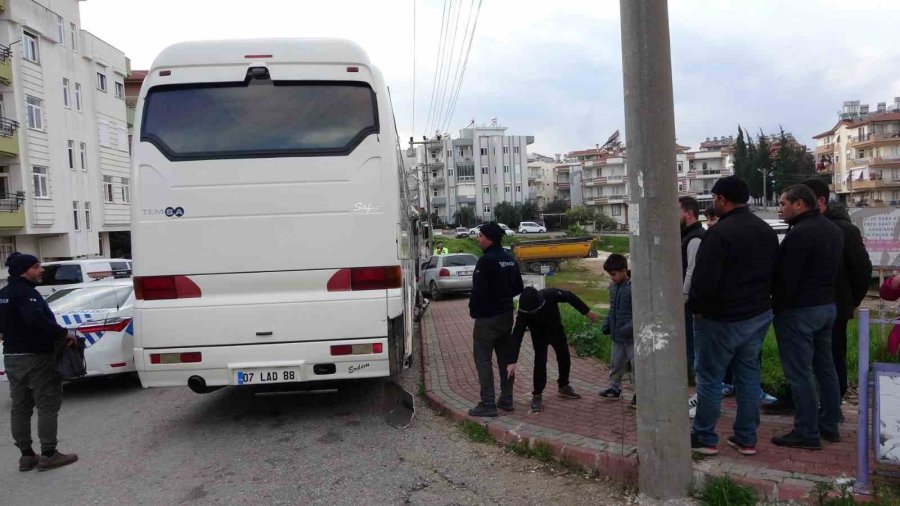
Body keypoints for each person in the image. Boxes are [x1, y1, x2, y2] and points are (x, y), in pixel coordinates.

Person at [688, 176, 779, 456]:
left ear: (722, 199)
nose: (713, 203)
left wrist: (697, 308)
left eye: (715, 198)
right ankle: (746, 438)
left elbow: (704, 279)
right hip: (758, 315)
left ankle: (704, 437)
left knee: (710, 378)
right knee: (748, 376)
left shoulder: (719, 233)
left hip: (721, 319)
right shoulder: (765, 230)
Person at [770, 185, 844, 450]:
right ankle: (830, 424)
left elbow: (787, 279)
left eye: (783, 203)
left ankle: (806, 432)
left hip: (799, 311)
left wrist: (778, 307)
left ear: (799, 204)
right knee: (826, 368)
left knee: (800, 373)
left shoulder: (800, 234)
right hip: (826, 306)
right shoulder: (832, 229)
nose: (780, 208)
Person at [1, 253, 79, 472]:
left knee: (20, 407)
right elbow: (36, 320)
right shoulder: (27, 294)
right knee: (47, 405)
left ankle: (26, 456)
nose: (42, 270)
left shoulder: (3, 294)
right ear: (25, 270)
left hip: (12, 357)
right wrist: (64, 333)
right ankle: (49, 454)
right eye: (37, 267)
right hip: (36, 357)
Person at [507, 287, 599, 412]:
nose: (533, 313)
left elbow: (569, 296)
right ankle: (537, 394)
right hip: (538, 336)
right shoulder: (523, 312)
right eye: (531, 313)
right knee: (540, 362)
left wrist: (586, 311)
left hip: (555, 330)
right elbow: (517, 335)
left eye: (535, 311)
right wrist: (512, 360)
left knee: (564, 357)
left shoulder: (550, 294)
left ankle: (563, 386)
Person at [467, 222, 524, 417]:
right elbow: (518, 288)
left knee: (483, 360)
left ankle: (488, 403)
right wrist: (503, 296)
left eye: (480, 235)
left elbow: (478, 292)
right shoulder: (509, 259)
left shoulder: (485, 261)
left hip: (487, 319)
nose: (478, 239)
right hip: (506, 316)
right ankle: (506, 399)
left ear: (489, 238)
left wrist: (474, 311)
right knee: (505, 359)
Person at [598, 254, 636, 408]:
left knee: (636, 367)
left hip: (631, 336)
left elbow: (639, 313)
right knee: (616, 363)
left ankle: (639, 394)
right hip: (617, 335)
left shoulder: (634, 287)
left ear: (624, 270)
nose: (612, 278)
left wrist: (629, 329)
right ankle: (614, 389)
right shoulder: (612, 288)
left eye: (614, 274)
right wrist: (607, 324)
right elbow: (612, 309)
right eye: (610, 275)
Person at [680, 196, 705, 378]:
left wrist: (683, 297)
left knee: (694, 346)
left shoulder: (695, 238)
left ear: (689, 213)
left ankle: (699, 387)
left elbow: (691, 270)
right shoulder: (686, 235)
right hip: (689, 303)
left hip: (691, 303)